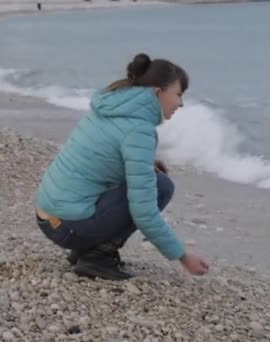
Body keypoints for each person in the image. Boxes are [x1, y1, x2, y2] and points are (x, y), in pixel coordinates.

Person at [34, 53, 210, 281]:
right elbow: (144, 212)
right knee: (162, 187)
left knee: (152, 179)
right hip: (68, 227)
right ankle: (97, 257)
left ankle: (87, 249)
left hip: (48, 217)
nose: (181, 103)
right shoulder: (139, 130)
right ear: (158, 92)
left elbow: (101, 155)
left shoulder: (111, 106)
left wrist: (145, 164)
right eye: (178, 94)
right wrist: (183, 256)